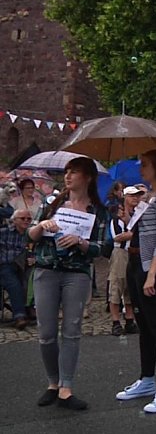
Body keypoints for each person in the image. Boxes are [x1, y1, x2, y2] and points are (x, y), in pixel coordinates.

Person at [29, 157, 109, 410]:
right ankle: (52, 382)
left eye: (74, 172)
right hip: (47, 271)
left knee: (72, 330)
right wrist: (42, 225)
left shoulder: (98, 211)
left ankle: (66, 387)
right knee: (46, 332)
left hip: (76, 274)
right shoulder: (52, 203)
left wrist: (81, 242)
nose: (68, 176)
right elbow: (30, 234)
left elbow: (103, 247)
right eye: (66, 172)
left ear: (88, 178)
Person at [114, 150, 156, 413]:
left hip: (152, 268)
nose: (141, 169)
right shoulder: (149, 196)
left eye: (145, 165)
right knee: (146, 325)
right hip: (137, 263)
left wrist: (152, 273)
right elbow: (142, 230)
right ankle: (147, 378)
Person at [107, 186, 145, 336]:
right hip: (121, 253)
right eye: (132, 196)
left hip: (135, 253)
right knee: (117, 285)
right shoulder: (118, 217)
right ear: (125, 198)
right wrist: (133, 234)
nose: (135, 198)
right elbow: (117, 237)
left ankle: (129, 319)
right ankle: (115, 321)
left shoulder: (139, 215)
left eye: (137, 196)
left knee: (131, 287)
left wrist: (131, 234)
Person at [0, 208, 34, 330]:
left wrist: (33, 257)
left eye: (28, 218)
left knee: (34, 280)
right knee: (14, 285)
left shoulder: (31, 233)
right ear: (14, 220)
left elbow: (35, 250)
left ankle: (31, 309)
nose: (26, 221)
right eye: (23, 218)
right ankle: (19, 316)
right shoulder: (4, 232)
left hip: (24, 266)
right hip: (5, 265)